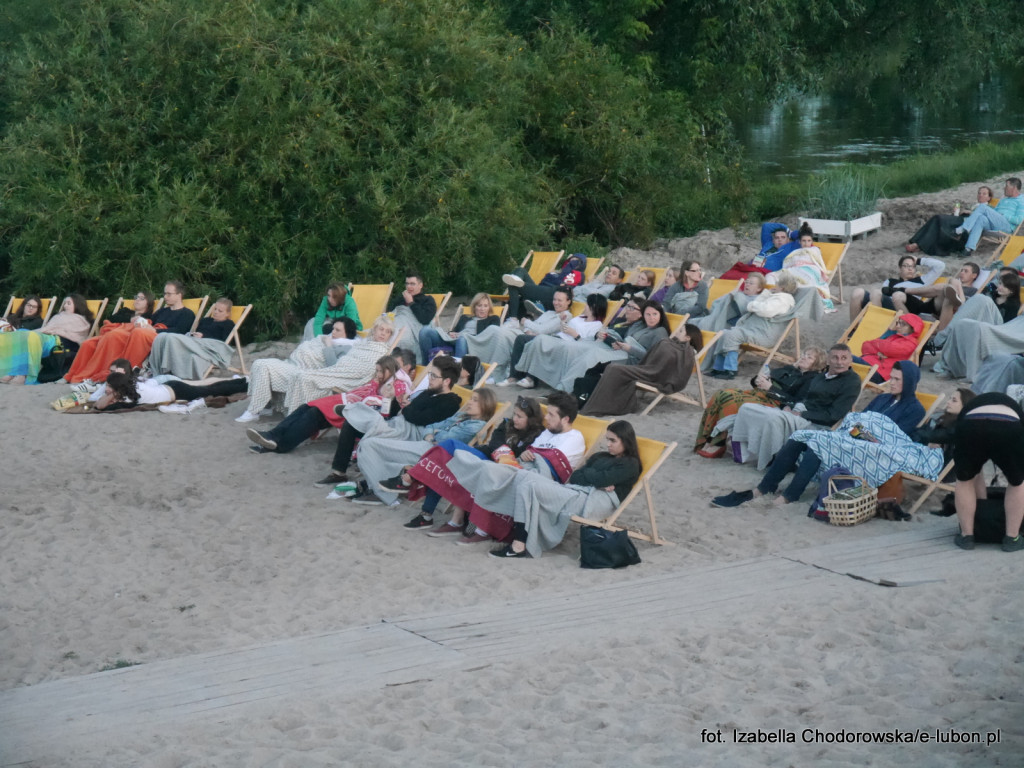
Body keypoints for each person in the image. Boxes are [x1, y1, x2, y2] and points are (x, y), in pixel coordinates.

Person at [711, 362, 927, 508]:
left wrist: (862, 435)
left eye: (897, 379)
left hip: (873, 453)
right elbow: (859, 420)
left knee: (816, 446)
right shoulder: (882, 399)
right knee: (799, 438)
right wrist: (855, 431)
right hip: (853, 440)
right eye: (891, 378)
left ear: (909, 382)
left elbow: (894, 440)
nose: (892, 382)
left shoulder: (915, 409)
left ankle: (789, 496)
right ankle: (764, 488)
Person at [404, 391, 587, 542]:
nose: (547, 418)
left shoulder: (574, 438)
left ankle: (478, 529)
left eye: (552, 415)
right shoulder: (547, 433)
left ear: (566, 419)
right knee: (457, 460)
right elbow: (528, 453)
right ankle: (449, 518)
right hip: (514, 467)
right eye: (547, 413)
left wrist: (524, 455)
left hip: (536, 480)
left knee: (481, 469)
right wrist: (523, 455)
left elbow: (548, 464)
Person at [489, 421, 642, 559]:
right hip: (577, 491)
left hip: (593, 501)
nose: (608, 444)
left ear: (626, 441)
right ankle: (519, 542)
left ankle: (518, 545)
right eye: (607, 439)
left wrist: (595, 478)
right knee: (526, 484)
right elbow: (576, 476)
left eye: (613, 440)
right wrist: (598, 480)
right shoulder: (600, 456)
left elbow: (598, 478)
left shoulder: (630, 464)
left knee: (530, 485)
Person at [314, 356, 463, 488]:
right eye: (430, 374)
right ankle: (339, 472)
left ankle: (352, 410)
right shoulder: (428, 393)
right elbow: (409, 410)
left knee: (367, 425)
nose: (429, 378)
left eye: (433, 376)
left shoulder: (450, 402)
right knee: (350, 425)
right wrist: (399, 402)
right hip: (397, 424)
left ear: (447, 381)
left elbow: (419, 418)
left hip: (407, 435)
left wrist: (407, 408)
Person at [352, 387, 499, 507]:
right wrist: (432, 434)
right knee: (370, 444)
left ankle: (383, 492)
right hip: (425, 445)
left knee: (370, 444)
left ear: (485, 405)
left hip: (432, 454)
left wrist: (434, 434)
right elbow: (431, 426)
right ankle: (381, 487)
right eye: (471, 398)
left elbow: (445, 439)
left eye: (475, 400)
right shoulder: (461, 416)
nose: (470, 402)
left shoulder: (475, 427)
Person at [245, 354, 411, 455]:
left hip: (355, 413)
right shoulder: (382, 381)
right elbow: (365, 391)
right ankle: (272, 435)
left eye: (381, 371)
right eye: (377, 371)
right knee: (306, 407)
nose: (378, 374)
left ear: (390, 370)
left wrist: (384, 396)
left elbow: (390, 409)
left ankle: (279, 446)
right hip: (347, 401)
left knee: (313, 415)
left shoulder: (397, 385)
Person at [729, 344, 861, 470]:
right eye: (835, 357)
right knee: (747, 408)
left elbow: (833, 416)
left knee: (773, 418)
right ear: (828, 361)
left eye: (844, 358)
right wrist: (789, 406)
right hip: (798, 411)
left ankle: (777, 461)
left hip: (816, 423)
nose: (839, 362)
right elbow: (803, 399)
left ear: (850, 360)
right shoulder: (821, 378)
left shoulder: (851, 382)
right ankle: (744, 453)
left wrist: (802, 414)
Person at [235, 316, 384, 423]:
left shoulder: (346, 347)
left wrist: (329, 346)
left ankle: (253, 410)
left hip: (303, 370)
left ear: (347, 334)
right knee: (260, 363)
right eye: (333, 329)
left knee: (262, 364)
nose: (333, 332)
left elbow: (335, 367)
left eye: (337, 330)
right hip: (292, 364)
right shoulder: (328, 338)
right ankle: (265, 404)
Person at [694, 347, 827, 457]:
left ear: (817, 363)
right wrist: (758, 380)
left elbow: (795, 401)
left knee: (732, 403)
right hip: (758, 393)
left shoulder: (812, 380)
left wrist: (770, 388)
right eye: (804, 354)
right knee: (721, 394)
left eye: (809, 357)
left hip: (774, 402)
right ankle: (706, 438)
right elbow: (760, 379)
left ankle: (718, 444)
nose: (804, 357)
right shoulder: (790, 369)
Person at [512, 296, 664, 392]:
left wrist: (627, 347)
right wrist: (601, 334)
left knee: (578, 351)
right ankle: (552, 382)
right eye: (627, 306)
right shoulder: (625, 323)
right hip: (605, 345)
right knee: (566, 346)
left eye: (632, 308)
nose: (627, 310)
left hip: (621, 355)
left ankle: (563, 389)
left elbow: (652, 357)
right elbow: (612, 336)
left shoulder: (658, 332)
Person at [950, 392, 1024, 552]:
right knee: (1017, 482)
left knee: (965, 479)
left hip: (971, 424)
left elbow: (975, 473)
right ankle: (1012, 538)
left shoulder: (972, 406)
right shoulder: (1012, 406)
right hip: (1009, 424)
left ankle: (967, 536)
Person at [581, 324, 704, 416]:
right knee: (612, 368)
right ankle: (600, 404)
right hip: (648, 370)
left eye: (681, 331)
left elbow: (678, 372)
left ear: (688, 338)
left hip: (656, 376)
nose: (677, 331)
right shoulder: (671, 343)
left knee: (614, 369)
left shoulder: (686, 352)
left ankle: (599, 406)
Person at [500, 293, 607, 388]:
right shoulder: (579, 318)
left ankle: (531, 378)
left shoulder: (596, 326)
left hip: (566, 345)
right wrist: (562, 322)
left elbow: (586, 345)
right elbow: (563, 329)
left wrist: (575, 335)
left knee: (539, 341)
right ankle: (514, 376)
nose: (585, 306)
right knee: (521, 339)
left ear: (593, 307)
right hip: (557, 338)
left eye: (587, 304)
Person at [708, 274, 799, 379]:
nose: (774, 286)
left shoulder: (783, 300)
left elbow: (766, 310)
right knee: (724, 333)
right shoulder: (775, 297)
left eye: (777, 284)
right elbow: (758, 304)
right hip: (756, 331)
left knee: (732, 335)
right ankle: (718, 369)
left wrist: (752, 306)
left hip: (764, 335)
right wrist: (766, 294)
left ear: (782, 287)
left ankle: (730, 370)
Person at [64, 290, 158, 384]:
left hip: (126, 338)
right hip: (110, 334)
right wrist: (130, 319)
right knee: (87, 344)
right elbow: (110, 320)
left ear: (148, 303)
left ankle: (99, 374)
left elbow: (147, 331)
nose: (137, 300)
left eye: (142, 299)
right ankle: (71, 375)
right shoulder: (125, 311)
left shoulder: (150, 317)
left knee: (113, 336)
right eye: (136, 297)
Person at [0, 295, 94, 384]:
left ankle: (23, 375)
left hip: (57, 343)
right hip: (47, 337)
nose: (65, 306)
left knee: (30, 336)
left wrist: (58, 331)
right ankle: (12, 372)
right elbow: (49, 328)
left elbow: (76, 336)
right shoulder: (58, 316)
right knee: (22, 332)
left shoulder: (81, 320)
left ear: (77, 305)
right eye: (65, 303)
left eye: (69, 303)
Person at [147, 297, 237, 379]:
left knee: (170, 337)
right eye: (215, 309)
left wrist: (204, 336)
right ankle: (157, 370)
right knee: (162, 337)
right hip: (194, 342)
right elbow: (197, 331)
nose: (216, 312)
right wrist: (194, 334)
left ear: (227, 313)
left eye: (220, 311)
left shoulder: (228, 324)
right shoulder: (205, 320)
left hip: (209, 346)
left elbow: (223, 342)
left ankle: (167, 370)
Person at [848, 254, 945, 323]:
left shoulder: (922, 281)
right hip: (884, 304)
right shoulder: (890, 281)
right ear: (900, 268)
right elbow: (884, 293)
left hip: (900, 306)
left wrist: (919, 260)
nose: (910, 269)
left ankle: (877, 325)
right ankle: (853, 329)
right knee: (858, 292)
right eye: (906, 266)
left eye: (913, 266)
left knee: (876, 292)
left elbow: (940, 266)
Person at [95, 370, 247, 412]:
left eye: (109, 386)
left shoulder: (132, 396)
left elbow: (100, 406)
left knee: (212, 390)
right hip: (170, 386)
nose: (106, 389)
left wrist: (113, 395)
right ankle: (240, 380)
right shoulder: (130, 389)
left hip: (178, 391)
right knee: (210, 388)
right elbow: (99, 404)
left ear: (117, 388)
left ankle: (244, 383)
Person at [905, 186, 995, 256]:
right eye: (979, 193)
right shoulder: (974, 205)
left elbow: (982, 220)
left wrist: (970, 213)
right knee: (937, 223)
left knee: (938, 218)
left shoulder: (988, 208)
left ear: (989, 198)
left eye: (984, 194)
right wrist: (957, 214)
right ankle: (919, 245)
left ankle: (918, 244)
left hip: (965, 229)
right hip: (959, 222)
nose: (980, 195)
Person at [896, 262, 984, 331]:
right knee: (897, 296)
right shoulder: (950, 284)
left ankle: (905, 289)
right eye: (961, 270)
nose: (962, 273)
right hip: (929, 307)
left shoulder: (973, 291)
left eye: (966, 271)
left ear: (974, 275)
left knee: (950, 285)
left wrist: (958, 285)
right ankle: (909, 323)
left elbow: (964, 308)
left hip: (944, 312)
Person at [417, 292, 501, 361]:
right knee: (425, 331)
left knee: (462, 338)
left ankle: (457, 371)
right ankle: (426, 366)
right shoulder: (465, 318)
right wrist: (452, 333)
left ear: (489, 307)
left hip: (473, 345)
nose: (482, 309)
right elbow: (455, 331)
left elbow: (490, 338)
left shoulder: (493, 319)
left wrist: (463, 336)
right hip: (454, 341)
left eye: (485, 306)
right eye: (479, 306)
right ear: (474, 307)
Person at [500, 253, 588, 320]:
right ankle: (517, 279)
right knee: (519, 270)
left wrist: (568, 268)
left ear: (581, 264)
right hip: (541, 290)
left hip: (553, 293)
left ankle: (513, 319)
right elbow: (545, 280)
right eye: (571, 260)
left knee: (513, 284)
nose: (572, 262)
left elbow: (561, 284)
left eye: (576, 260)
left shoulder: (579, 274)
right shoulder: (557, 273)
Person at [765, 225, 833, 311]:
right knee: (771, 275)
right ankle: (772, 296)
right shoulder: (795, 252)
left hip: (810, 270)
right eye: (803, 241)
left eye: (808, 241)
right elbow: (787, 263)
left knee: (802, 280)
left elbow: (819, 263)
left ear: (812, 241)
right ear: (800, 242)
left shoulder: (815, 250)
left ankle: (785, 296)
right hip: (794, 269)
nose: (806, 243)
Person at [955, 178, 1024, 255]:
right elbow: (995, 212)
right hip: (996, 223)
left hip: (1007, 226)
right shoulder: (1004, 199)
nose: (1004, 188)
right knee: (981, 218)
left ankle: (961, 229)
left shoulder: (1021, 200)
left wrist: (1003, 215)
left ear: (1014, 188)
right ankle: (968, 249)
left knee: (983, 207)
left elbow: (1019, 220)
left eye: (1006, 186)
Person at [853, 312, 924, 383]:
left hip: (877, 372)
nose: (898, 326)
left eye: (903, 324)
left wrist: (877, 344)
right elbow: (865, 345)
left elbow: (889, 349)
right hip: (868, 365)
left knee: (844, 357)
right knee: (844, 359)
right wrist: (878, 351)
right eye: (898, 323)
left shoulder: (910, 343)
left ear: (912, 329)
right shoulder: (894, 336)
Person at [388, 271, 438, 363]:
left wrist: (411, 302)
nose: (409, 287)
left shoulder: (427, 300)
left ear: (420, 285)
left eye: (412, 284)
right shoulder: (399, 299)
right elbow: (389, 314)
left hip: (411, 330)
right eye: (407, 284)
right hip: (395, 325)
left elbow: (425, 320)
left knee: (399, 340)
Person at [720, 223, 798, 280]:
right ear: (773, 240)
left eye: (783, 237)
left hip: (764, 274)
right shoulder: (768, 244)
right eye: (777, 238)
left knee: (742, 280)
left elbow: (803, 235)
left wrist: (791, 233)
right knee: (728, 275)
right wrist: (785, 228)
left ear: (788, 240)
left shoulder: (790, 248)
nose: (779, 240)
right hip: (750, 268)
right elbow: (766, 226)